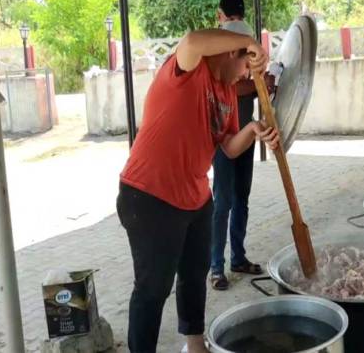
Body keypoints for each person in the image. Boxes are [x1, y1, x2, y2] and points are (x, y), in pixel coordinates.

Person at [116, 26, 279, 353]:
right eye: (248, 66)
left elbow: (230, 148)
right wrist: (249, 41)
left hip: (195, 197)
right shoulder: (189, 68)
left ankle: (194, 345)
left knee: (194, 275)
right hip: (149, 195)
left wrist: (253, 129)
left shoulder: (228, 94)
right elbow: (191, 39)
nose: (246, 76)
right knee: (153, 288)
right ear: (234, 51)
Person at [209, 0, 275, 290]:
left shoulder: (241, 39)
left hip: (245, 133)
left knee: (239, 199)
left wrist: (264, 84)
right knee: (224, 201)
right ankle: (215, 266)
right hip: (224, 134)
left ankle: (236, 258)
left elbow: (247, 84)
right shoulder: (220, 43)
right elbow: (231, 87)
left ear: (220, 13)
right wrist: (257, 84)